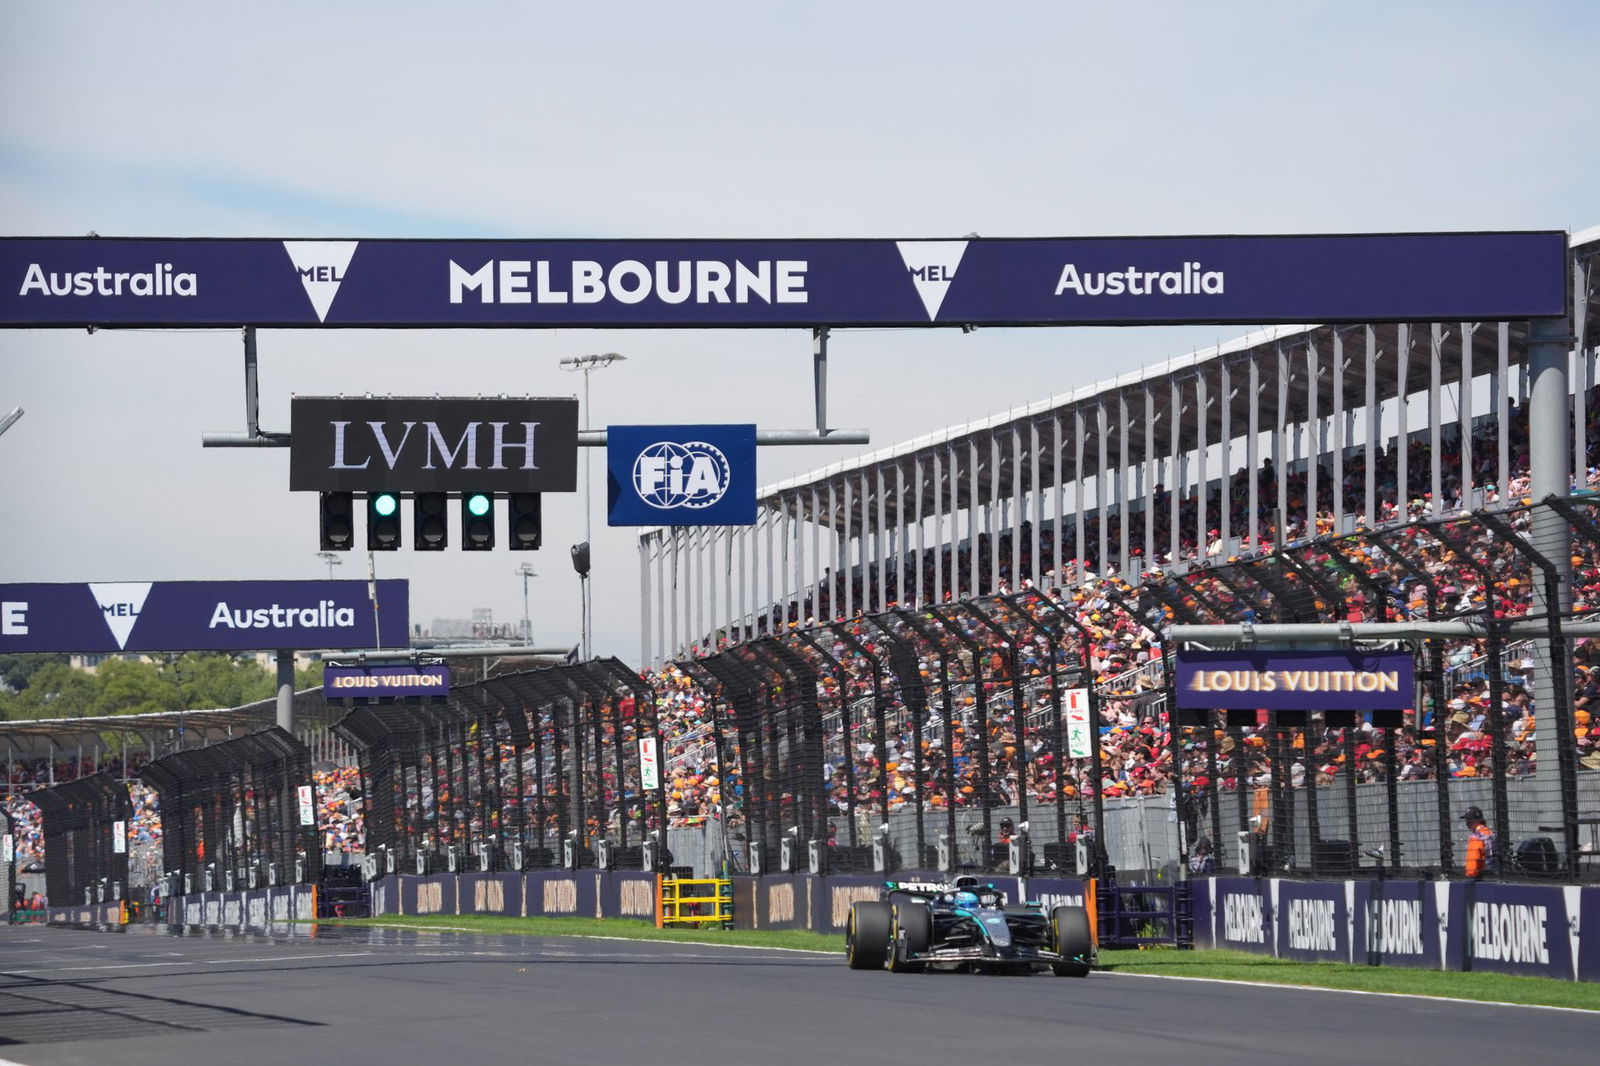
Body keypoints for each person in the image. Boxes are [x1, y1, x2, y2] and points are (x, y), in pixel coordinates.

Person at [1461, 805, 1497, 879]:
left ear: (1478, 820)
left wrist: (1471, 873)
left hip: (1484, 873)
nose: (1467, 823)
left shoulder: (1476, 836)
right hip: (1495, 869)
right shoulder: (1489, 831)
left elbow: (1474, 857)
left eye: (1470, 820)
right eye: (1467, 820)